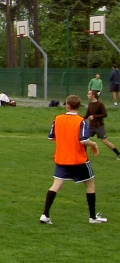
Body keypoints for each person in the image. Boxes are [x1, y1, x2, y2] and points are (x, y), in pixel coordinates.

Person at [40, 95, 107, 225]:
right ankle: (92, 217)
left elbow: (51, 137)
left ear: (67, 106)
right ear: (78, 107)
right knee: (90, 185)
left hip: (62, 158)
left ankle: (45, 214)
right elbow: (83, 140)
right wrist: (94, 144)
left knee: (56, 185)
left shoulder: (58, 119)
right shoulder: (81, 121)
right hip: (78, 159)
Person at [83, 90, 120, 159]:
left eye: (89, 94)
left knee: (105, 141)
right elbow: (87, 114)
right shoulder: (90, 104)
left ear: (93, 96)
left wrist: (94, 116)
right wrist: (80, 119)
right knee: (84, 139)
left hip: (99, 126)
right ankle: (83, 155)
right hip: (91, 126)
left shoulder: (100, 104)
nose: (87, 95)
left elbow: (105, 114)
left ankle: (118, 154)